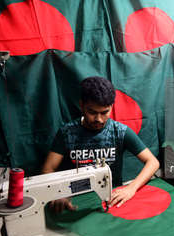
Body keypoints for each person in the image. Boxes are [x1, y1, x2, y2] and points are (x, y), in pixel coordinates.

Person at [41, 76, 159, 213]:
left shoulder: (120, 132)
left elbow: (153, 162)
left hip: (111, 200)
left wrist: (131, 188)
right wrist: (57, 193)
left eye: (105, 112)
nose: (98, 119)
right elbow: (47, 168)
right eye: (92, 112)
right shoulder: (66, 133)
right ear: (81, 106)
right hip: (75, 201)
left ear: (111, 107)